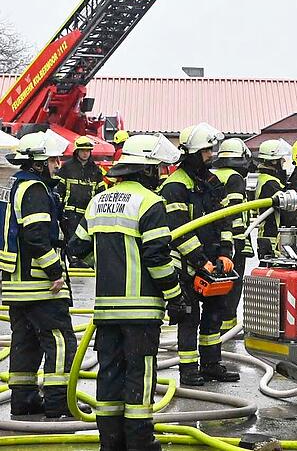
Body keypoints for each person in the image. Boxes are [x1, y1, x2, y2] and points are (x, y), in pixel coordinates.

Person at [68, 134, 187, 451]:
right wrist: (175, 296)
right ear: (147, 169)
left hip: (106, 310)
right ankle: (140, 443)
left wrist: (109, 264)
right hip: (141, 311)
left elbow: (77, 248)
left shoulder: (98, 201)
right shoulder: (150, 203)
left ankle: (111, 443)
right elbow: (157, 259)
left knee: (109, 376)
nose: (160, 174)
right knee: (140, 377)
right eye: (158, 168)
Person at [0, 130, 76, 418]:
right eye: (53, 160)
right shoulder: (34, 189)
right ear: (38, 163)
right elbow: (35, 235)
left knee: (25, 343)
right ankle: (58, 403)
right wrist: (55, 271)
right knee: (60, 340)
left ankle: (24, 401)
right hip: (39, 283)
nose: (58, 164)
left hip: (16, 283)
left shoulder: (13, 184)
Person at [159, 122, 239, 386]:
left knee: (214, 316)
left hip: (215, 263)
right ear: (192, 152)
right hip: (186, 265)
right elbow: (179, 230)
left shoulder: (213, 182)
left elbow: (224, 219)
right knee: (189, 318)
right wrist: (200, 262)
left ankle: (211, 364)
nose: (210, 155)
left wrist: (226, 253)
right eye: (206, 151)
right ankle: (188, 369)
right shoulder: (175, 186)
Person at [211, 138, 254, 334]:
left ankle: (218, 325)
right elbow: (235, 212)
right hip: (234, 241)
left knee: (218, 285)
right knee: (232, 286)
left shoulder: (214, 174)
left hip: (216, 239)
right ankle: (228, 328)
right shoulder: (235, 178)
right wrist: (240, 241)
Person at [56, 135, 105, 266]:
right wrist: (59, 208)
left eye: (88, 151)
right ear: (77, 151)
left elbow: (100, 192)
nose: (85, 153)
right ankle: (72, 260)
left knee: (85, 238)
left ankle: (81, 260)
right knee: (70, 237)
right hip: (70, 211)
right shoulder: (67, 167)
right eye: (83, 150)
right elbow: (59, 189)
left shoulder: (95, 170)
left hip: (88, 213)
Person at [253, 139, 291, 258]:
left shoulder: (266, 179)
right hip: (271, 236)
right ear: (274, 161)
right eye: (281, 159)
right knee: (270, 267)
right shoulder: (270, 183)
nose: (284, 161)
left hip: (268, 234)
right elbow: (287, 205)